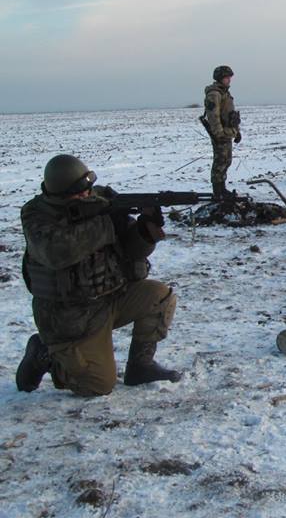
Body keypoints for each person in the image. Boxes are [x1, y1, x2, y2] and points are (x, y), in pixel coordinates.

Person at [16, 155, 180, 397]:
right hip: (70, 319)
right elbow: (57, 252)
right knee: (98, 385)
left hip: (108, 299)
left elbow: (131, 250)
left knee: (159, 296)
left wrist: (145, 231)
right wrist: (106, 224)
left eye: (88, 188)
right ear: (59, 193)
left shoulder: (100, 202)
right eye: (79, 192)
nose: (87, 195)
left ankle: (140, 366)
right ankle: (46, 355)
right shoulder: (37, 216)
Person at [202, 65, 241, 200]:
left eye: (229, 77)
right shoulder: (215, 94)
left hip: (228, 132)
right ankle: (218, 191)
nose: (229, 80)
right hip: (221, 134)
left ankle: (222, 188)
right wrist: (218, 133)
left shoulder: (224, 93)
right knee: (220, 161)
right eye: (227, 77)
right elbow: (214, 116)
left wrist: (237, 132)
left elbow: (231, 115)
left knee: (226, 161)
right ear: (220, 78)